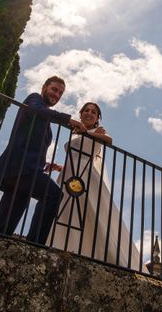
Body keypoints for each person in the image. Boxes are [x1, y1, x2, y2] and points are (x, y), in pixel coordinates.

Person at [0, 76, 83, 244]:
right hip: (20, 167)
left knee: (6, 222)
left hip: (23, 170)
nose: (57, 94)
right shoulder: (34, 98)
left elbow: (31, 141)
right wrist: (68, 119)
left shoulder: (43, 116)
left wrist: (44, 163)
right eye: (54, 89)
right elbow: (35, 110)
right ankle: (35, 244)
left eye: (60, 93)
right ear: (44, 87)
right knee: (53, 195)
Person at [47, 102, 139, 268]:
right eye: (86, 110)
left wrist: (90, 134)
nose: (89, 113)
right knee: (64, 210)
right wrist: (59, 167)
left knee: (89, 211)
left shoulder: (98, 131)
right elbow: (76, 155)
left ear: (97, 118)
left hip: (86, 177)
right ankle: (63, 246)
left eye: (94, 112)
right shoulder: (75, 132)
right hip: (69, 174)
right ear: (81, 114)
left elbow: (109, 140)